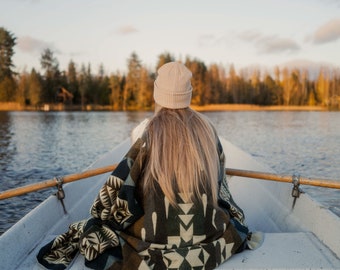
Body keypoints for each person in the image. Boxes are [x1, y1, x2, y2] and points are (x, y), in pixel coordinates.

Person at [37, 62, 251, 270]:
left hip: (153, 235)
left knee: (105, 225)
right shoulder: (208, 130)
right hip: (208, 232)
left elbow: (124, 189)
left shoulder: (144, 131)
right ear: (189, 93)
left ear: (157, 94)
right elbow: (220, 183)